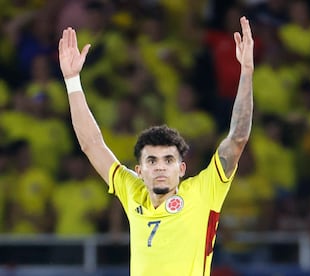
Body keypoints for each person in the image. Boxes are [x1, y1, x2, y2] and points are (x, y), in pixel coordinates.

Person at [58, 16, 254, 276]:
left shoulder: (204, 192)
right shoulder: (133, 193)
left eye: (168, 160)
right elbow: (91, 144)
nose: (160, 167)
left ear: (182, 168)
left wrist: (247, 73)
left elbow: (237, 138)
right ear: (139, 170)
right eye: (152, 161)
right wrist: (72, 82)